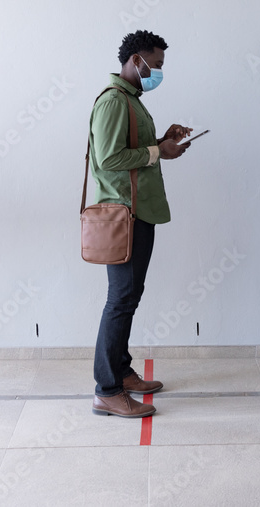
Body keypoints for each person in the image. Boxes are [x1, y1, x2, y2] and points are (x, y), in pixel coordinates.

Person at [89, 30, 191, 418]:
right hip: (124, 216)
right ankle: (106, 389)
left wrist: (162, 142)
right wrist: (156, 151)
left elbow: (133, 151)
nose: (158, 73)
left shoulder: (131, 100)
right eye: (156, 65)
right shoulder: (114, 102)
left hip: (137, 212)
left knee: (128, 297)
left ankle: (121, 371)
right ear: (136, 60)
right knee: (120, 301)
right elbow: (109, 158)